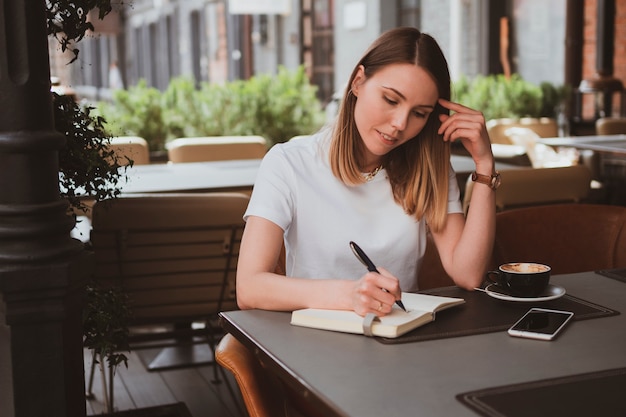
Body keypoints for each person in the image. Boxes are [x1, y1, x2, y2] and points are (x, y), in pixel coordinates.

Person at [236, 27, 497, 317]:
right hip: (313, 346)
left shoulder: (428, 170)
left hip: (399, 341)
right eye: (391, 100)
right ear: (358, 82)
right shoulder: (288, 163)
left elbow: (468, 274)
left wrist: (485, 166)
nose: (400, 123)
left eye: (419, 113)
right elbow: (249, 287)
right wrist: (349, 295)